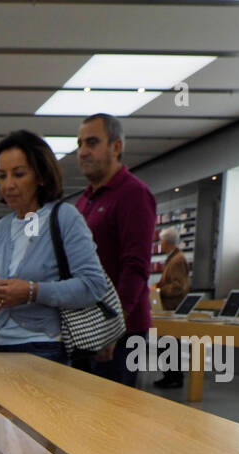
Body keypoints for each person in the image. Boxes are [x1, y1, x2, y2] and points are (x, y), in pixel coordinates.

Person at [0, 129, 107, 363]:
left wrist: (32, 291)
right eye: (2, 176)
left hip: (44, 349)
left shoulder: (65, 217)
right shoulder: (0, 229)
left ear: (41, 176)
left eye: (18, 174)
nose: (9, 185)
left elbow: (93, 285)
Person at [74, 112, 156, 386]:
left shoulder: (134, 194)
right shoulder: (83, 201)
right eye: (80, 144)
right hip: (86, 327)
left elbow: (135, 267)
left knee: (111, 420)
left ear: (116, 146)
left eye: (92, 143)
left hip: (120, 334)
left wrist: (112, 326)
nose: (83, 151)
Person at [153, 226, 190, 388]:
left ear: (167, 242)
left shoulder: (177, 260)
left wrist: (159, 291)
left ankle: (173, 377)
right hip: (169, 308)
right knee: (168, 343)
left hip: (173, 308)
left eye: (161, 240)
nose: (159, 244)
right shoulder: (173, 258)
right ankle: (170, 375)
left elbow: (178, 286)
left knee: (170, 344)